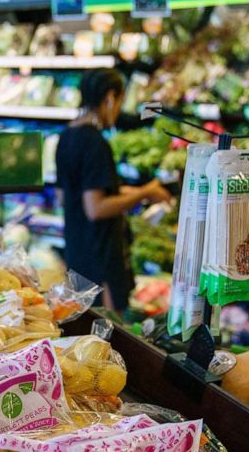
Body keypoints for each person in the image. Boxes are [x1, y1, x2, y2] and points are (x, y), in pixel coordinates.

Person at [55, 69, 172, 311]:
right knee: (108, 332)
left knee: (84, 331)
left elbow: (66, 196)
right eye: (119, 101)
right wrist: (144, 192)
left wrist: (133, 192)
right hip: (101, 257)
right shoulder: (95, 143)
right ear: (109, 98)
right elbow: (96, 208)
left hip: (77, 251)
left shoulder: (66, 136)